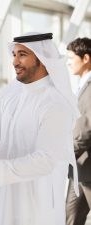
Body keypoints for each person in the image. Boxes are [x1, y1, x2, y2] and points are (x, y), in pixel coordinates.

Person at [0, 33, 80, 225]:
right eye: (14, 55)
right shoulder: (13, 94)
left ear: (42, 59)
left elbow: (45, 160)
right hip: (8, 191)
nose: (15, 62)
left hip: (38, 199)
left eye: (22, 54)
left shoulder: (56, 103)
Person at [66, 37, 91, 225]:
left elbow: (87, 128)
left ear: (86, 58)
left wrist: (66, 151)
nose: (68, 62)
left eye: (71, 57)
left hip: (86, 162)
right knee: (71, 217)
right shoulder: (82, 84)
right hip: (79, 166)